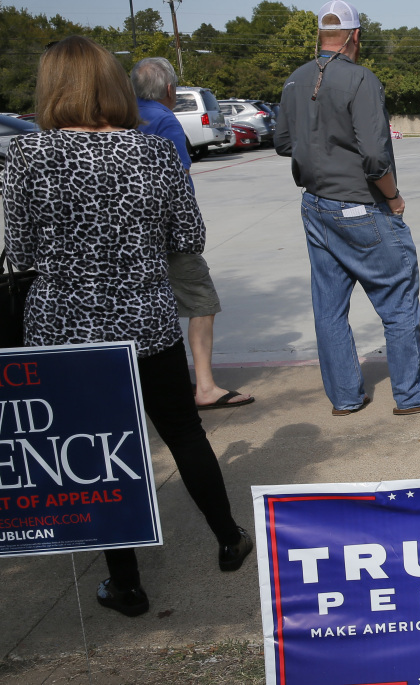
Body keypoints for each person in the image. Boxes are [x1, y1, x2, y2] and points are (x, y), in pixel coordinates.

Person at [1, 36, 253, 617]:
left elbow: (21, 249)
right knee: (184, 431)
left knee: (92, 453)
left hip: (64, 330)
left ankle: (126, 583)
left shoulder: (30, 157)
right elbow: (187, 240)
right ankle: (227, 537)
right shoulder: (155, 153)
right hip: (145, 320)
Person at [274, 0, 420, 416]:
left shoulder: (295, 80)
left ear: (321, 36)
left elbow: (284, 143)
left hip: (316, 204)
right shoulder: (360, 79)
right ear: (356, 36)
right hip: (359, 204)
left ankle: (346, 397)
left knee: (330, 307)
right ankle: (411, 394)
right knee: (399, 298)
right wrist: (393, 198)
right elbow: (375, 158)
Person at [130, 57, 254, 410]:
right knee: (201, 302)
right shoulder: (163, 119)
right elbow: (179, 179)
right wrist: (190, 233)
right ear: (170, 90)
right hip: (168, 236)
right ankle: (205, 387)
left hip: (129, 237)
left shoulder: (119, 117)